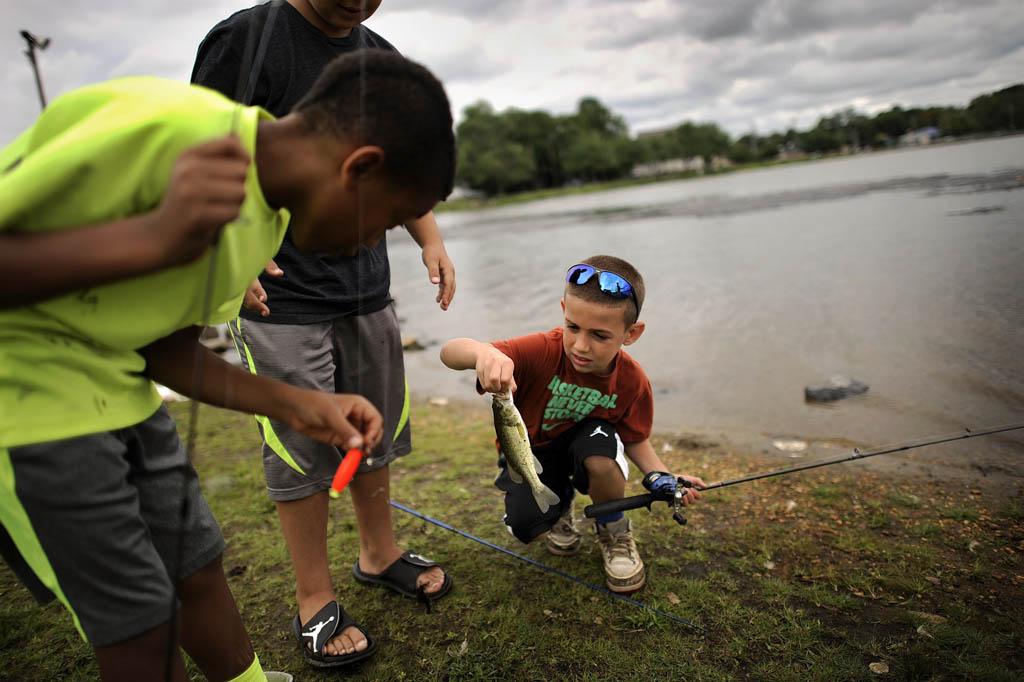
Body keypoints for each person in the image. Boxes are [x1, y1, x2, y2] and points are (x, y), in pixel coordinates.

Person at [0, 48, 455, 682]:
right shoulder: (167, 130)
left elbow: (164, 350)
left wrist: (297, 403)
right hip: (26, 408)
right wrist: (153, 238)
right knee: (140, 626)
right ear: (359, 168)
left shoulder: (265, 224)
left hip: (125, 394)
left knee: (199, 568)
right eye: (382, 222)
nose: (367, 244)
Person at [191, 0, 455, 669]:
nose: (357, 2)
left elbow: (400, 169)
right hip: (279, 293)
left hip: (365, 287)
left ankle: (379, 553)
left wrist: (429, 238)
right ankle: (314, 597)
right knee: (302, 445)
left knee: (375, 427)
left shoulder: (380, 56)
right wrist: (233, 253)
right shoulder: (249, 40)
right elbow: (200, 154)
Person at [439, 255, 706, 594]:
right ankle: (561, 504)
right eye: (573, 327)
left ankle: (613, 528)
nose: (581, 345)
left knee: (602, 454)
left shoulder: (632, 381)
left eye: (600, 335)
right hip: (531, 453)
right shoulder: (541, 350)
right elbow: (449, 352)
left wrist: (661, 475)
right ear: (564, 310)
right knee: (527, 528)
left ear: (631, 333)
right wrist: (482, 354)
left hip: (590, 446)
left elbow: (635, 439)